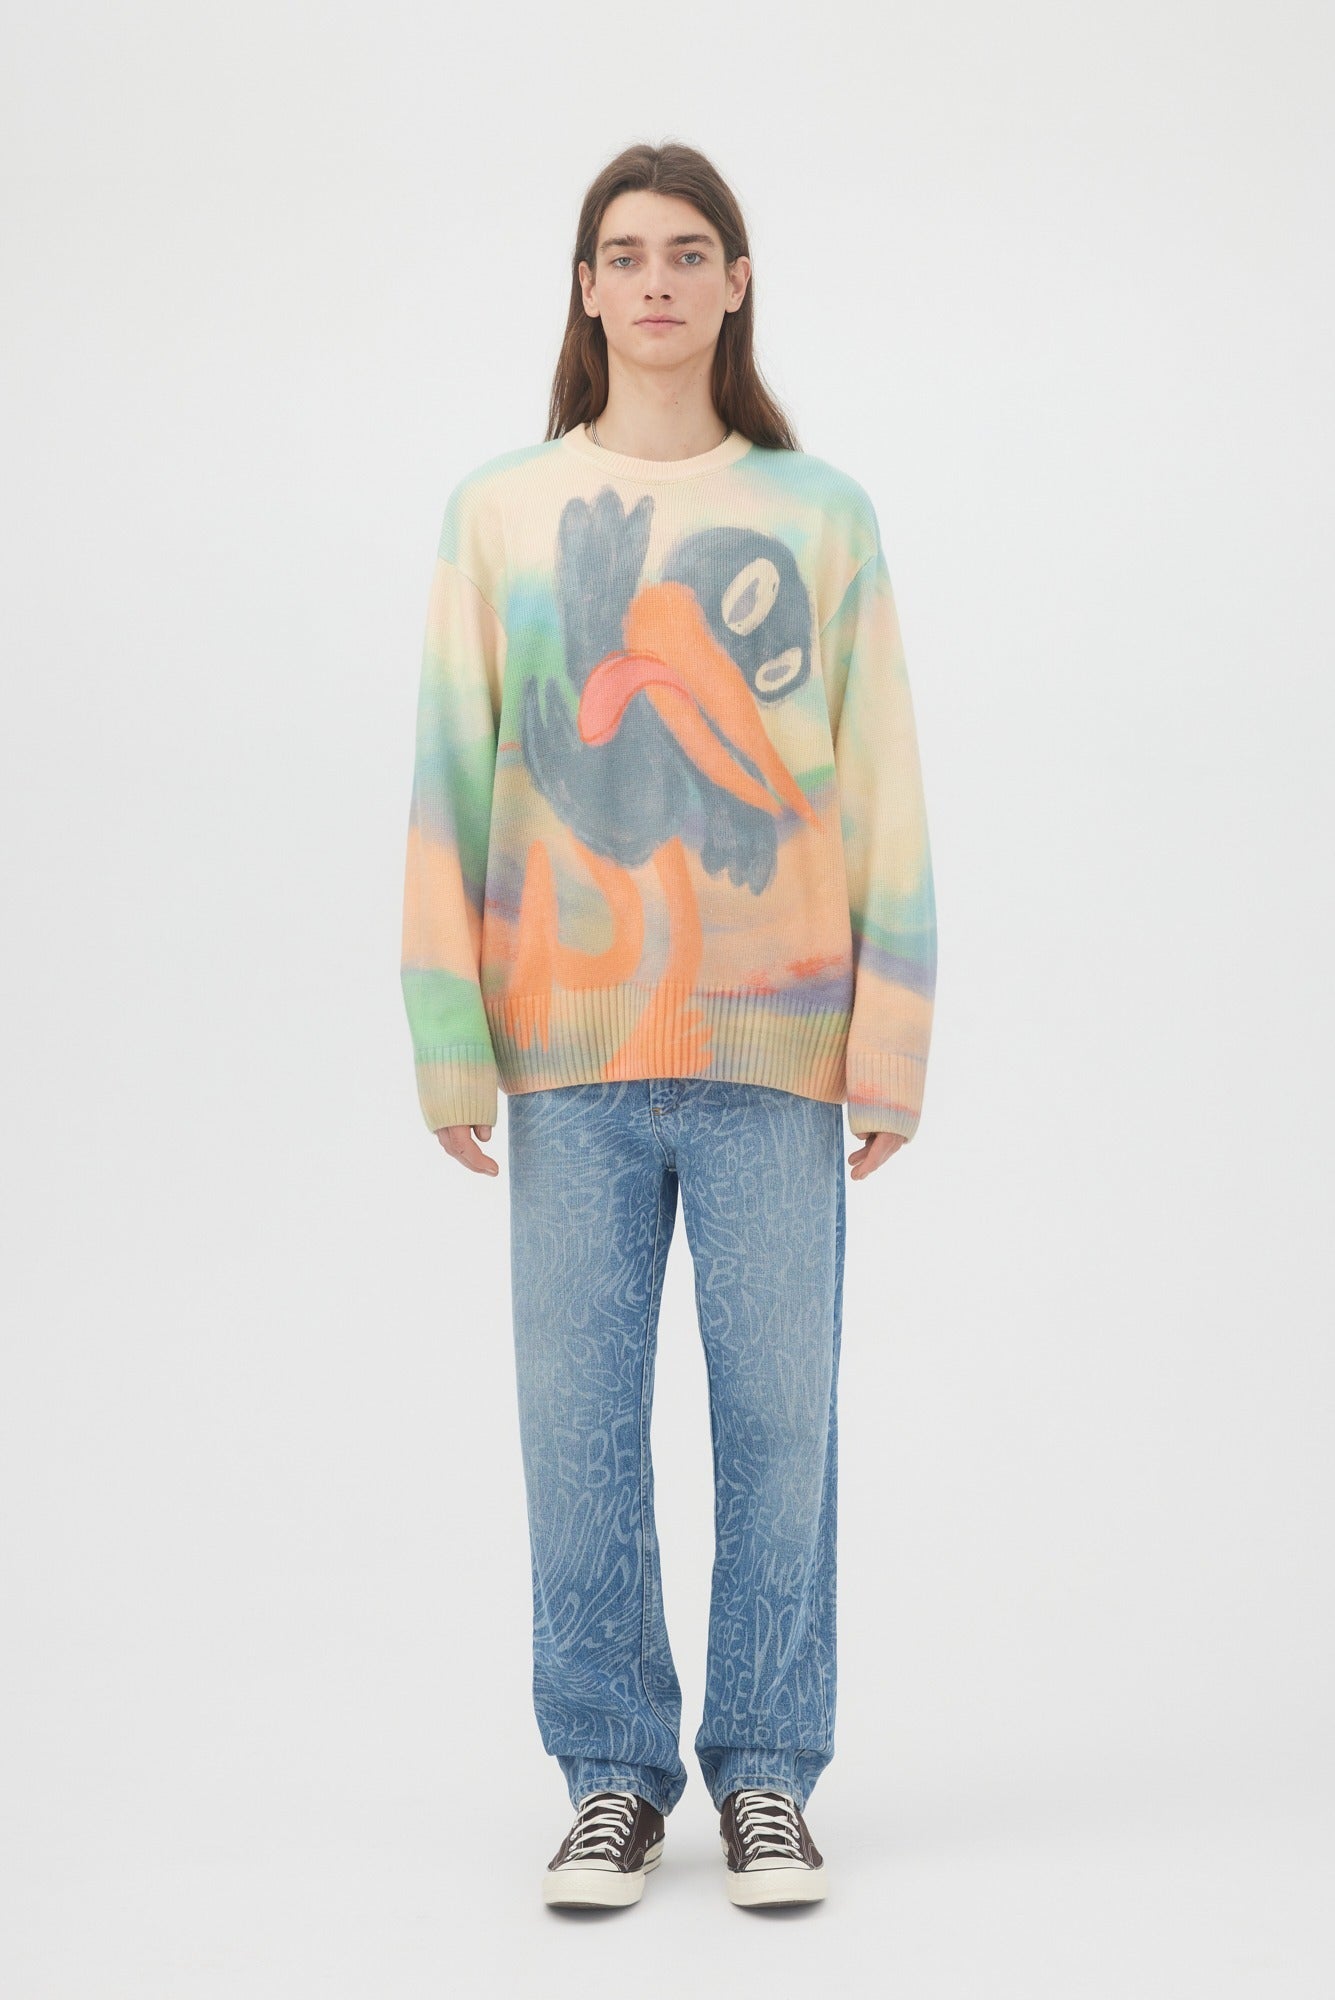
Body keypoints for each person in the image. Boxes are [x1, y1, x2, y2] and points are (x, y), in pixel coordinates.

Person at [399, 140, 938, 1910]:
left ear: (734, 284)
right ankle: (610, 1780)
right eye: (624, 253)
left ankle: (769, 1775)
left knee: (783, 1425)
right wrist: (447, 1028)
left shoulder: (822, 514)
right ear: (585, 288)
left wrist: (890, 1038)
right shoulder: (500, 513)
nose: (654, 280)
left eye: (687, 251)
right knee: (577, 1432)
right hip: (566, 1056)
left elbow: (881, 786)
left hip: (777, 1056)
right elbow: (453, 773)